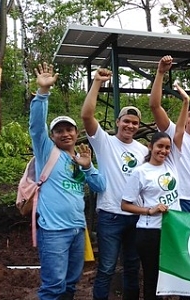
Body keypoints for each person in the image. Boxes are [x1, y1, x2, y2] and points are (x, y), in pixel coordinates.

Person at [30, 62, 106, 300]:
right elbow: (35, 126)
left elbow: (100, 187)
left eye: (69, 129)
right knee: (53, 287)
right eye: (59, 131)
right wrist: (43, 93)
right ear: (52, 136)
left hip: (76, 231)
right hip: (53, 231)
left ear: (76, 133)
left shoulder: (79, 158)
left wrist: (89, 166)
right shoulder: (46, 152)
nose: (65, 133)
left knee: (71, 285)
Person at [82, 68, 148, 300]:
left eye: (135, 123)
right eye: (126, 121)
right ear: (118, 122)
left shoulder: (143, 150)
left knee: (132, 267)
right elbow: (87, 116)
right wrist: (97, 82)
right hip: (110, 214)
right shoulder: (105, 143)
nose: (130, 126)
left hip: (136, 216)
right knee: (107, 268)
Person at [121, 83, 189, 300]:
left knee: (171, 275)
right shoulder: (140, 172)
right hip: (150, 232)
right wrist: (149, 211)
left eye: (167, 148)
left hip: (173, 230)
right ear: (150, 147)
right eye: (159, 146)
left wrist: (186, 102)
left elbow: (179, 130)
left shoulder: (172, 164)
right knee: (152, 276)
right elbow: (125, 204)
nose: (164, 151)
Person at [150, 55, 190, 214]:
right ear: (185, 118)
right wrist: (160, 73)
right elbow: (155, 106)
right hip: (178, 198)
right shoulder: (173, 133)